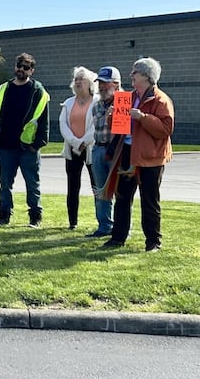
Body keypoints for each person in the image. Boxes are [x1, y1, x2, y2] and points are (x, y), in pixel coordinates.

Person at [101, 57, 174, 252]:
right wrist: (112, 115)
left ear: (147, 77)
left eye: (136, 72)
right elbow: (117, 128)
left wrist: (143, 117)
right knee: (122, 197)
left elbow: (165, 130)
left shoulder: (161, 100)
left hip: (151, 158)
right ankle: (117, 238)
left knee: (149, 200)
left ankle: (153, 242)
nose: (131, 75)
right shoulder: (127, 98)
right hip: (126, 153)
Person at [0, 53, 50, 228]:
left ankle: (35, 217)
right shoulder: (3, 89)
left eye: (26, 67)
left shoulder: (38, 91)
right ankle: (4, 215)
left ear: (32, 71)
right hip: (5, 145)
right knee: (5, 183)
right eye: (19, 65)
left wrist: (37, 144)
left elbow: (43, 121)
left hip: (28, 147)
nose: (21, 69)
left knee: (32, 183)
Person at [58, 66, 99, 230]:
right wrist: (75, 142)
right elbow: (63, 124)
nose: (78, 82)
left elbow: (97, 125)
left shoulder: (97, 101)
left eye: (81, 78)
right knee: (72, 186)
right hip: (72, 150)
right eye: (76, 79)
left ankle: (102, 221)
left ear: (90, 82)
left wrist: (84, 141)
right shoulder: (69, 102)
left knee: (97, 185)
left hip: (90, 149)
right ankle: (72, 221)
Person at [86, 66, 122, 238]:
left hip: (116, 151)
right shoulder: (97, 104)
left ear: (116, 84)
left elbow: (123, 132)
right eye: (100, 83)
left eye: (106, 84)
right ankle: (104, 226)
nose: (101, 87)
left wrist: (113, 116)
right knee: (100, 190)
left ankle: (122, 227)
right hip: (99, 148)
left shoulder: (123, 103)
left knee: (120, 192)